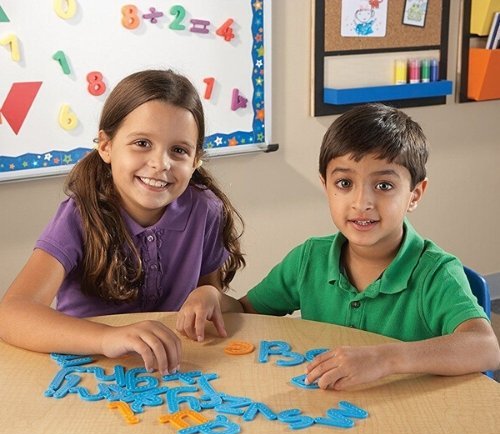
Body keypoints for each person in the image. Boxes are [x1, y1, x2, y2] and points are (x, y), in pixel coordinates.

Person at [177, 103, 500, 389]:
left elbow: (485, 347)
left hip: (408, 422)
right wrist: (211, 296)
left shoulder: (436, 273)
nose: (362, 202)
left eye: (384, 185)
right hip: (332, 413)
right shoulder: (310, 259)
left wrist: (385, 359)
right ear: (326, 185)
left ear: (414, 194)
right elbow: (248, 310)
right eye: (344, 184)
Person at [0, 69, 245, 376]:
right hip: (86, 369)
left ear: (196, 160)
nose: (160, 164)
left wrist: (209, 295)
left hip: (172, 369)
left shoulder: (205, 209)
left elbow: (210, 288)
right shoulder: (79, 214)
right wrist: (107, 337)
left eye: (179, 150)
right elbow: (12, 313)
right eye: (142, 143)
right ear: (106, 146)